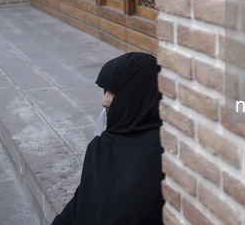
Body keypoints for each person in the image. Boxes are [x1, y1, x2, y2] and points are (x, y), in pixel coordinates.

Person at [52, 52, 164, 225]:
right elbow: (83, 199)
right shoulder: (102, 145)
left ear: (137, 93)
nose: (104, 101)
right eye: (106, 91)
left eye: (113, 92)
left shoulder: (162, 157)